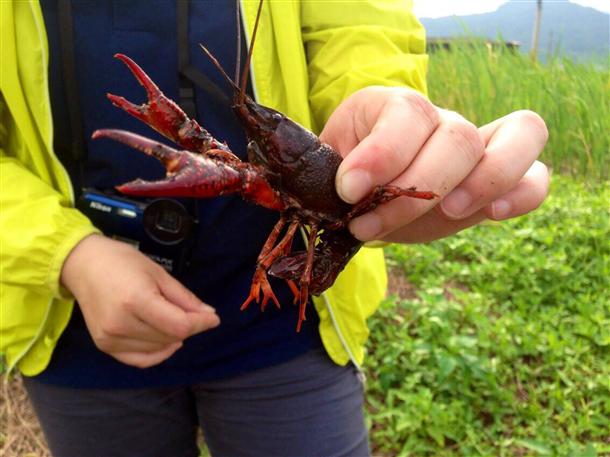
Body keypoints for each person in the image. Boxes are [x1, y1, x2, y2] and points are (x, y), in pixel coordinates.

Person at [0, 1, 549, 456]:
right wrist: (67, 252)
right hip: (76, 339)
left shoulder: (264, 183)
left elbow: (365, 45)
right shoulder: (262, 167)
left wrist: (396, 143)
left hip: (291, 330)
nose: (252, 124)